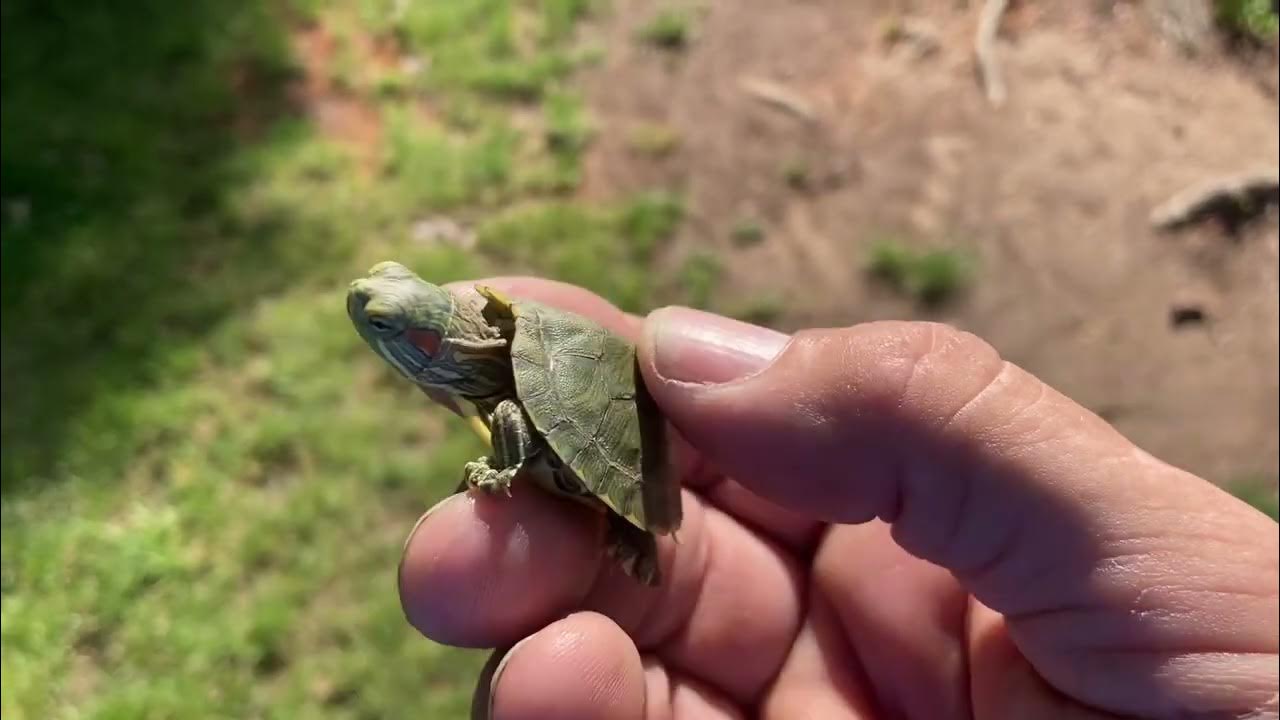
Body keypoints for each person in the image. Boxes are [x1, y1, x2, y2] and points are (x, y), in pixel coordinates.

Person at [397, 277, 1279, 719]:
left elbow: (515, 414)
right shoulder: (493, 368)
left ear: (436, 337)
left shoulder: (510, 384)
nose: (381, 327)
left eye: (397, 327)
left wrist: (506, 470)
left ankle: (629, 535)